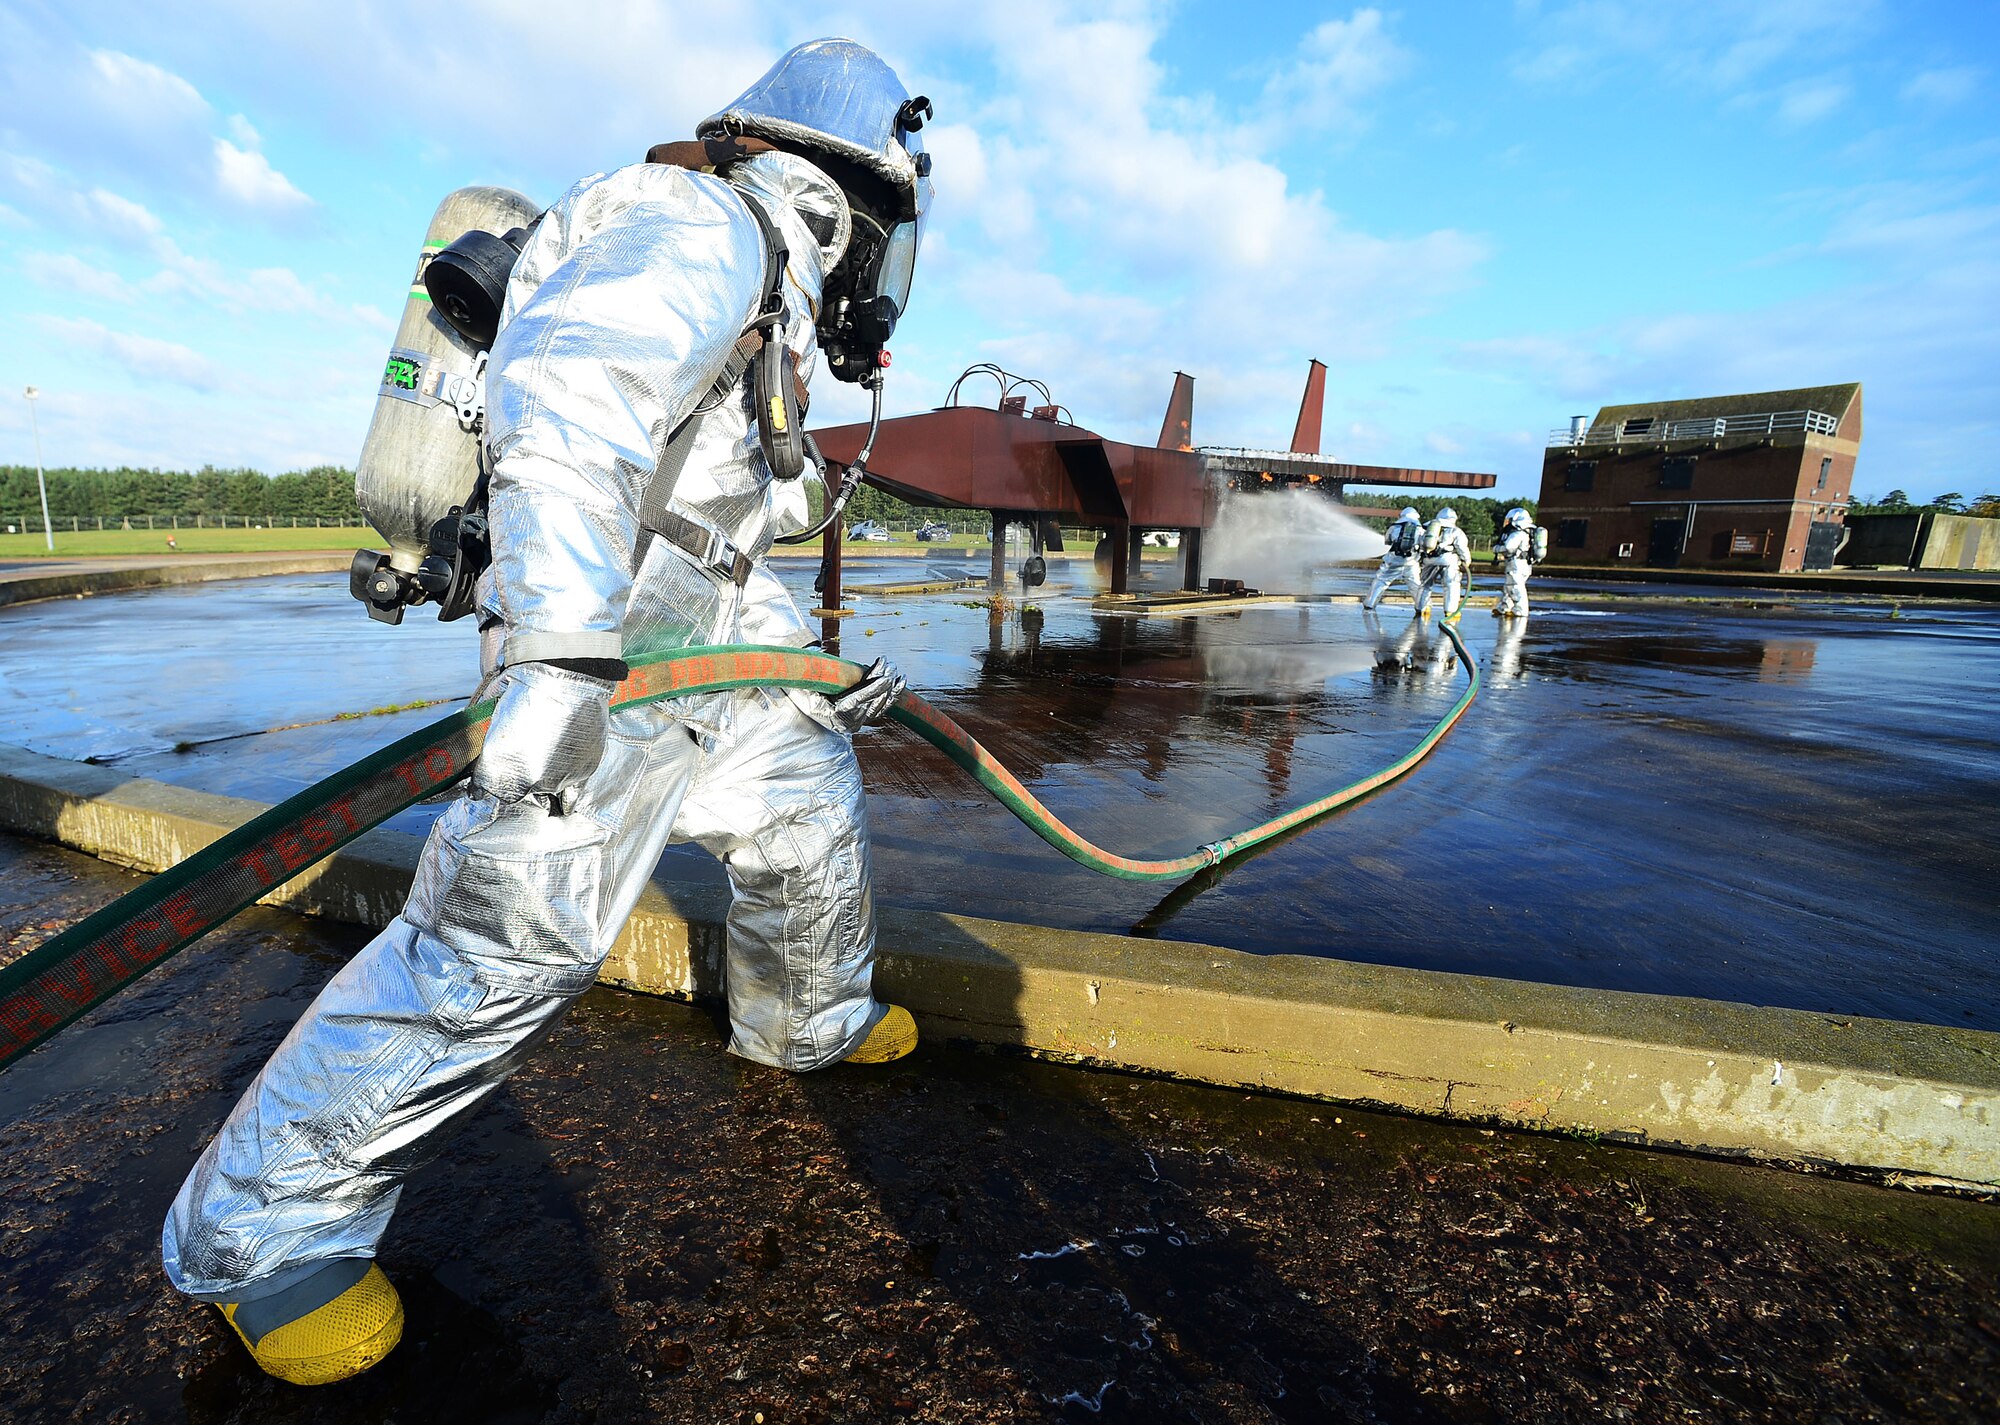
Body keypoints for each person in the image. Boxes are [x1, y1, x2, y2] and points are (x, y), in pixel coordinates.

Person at [160, 38, 934, 1386]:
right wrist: (562, 660)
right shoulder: (698, 221)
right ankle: (263, 1233)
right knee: (503, 946)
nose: (892, 280)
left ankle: (804, 1016)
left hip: (699, 653)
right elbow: (570, 410)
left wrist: (811, 673)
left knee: (807, 801)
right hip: (600, 652)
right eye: (896, 240)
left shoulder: (769, 288)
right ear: (850, 192)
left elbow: (721, 533)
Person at [1361, 506, 1424, 610]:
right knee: (1415, 585)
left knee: (1381, 581)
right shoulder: (1420, 529)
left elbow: (1387, 541)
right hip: (1411, 562)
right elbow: (1424, 545)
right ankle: (1422, 607)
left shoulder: (1394, 527)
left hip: (1393, 561)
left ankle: (1370, 604)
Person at [1415, 506, 1470, 619]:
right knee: (1451, 585)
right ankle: (1450, 611)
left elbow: (1420, 543)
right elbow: (1461, 547)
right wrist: (1466, 560)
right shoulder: (1455, 531)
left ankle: (1422, 608)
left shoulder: (1427, 528)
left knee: (1425, 585)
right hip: (1448, 561)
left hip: (1428, 560)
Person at [1492, 506, 1541, 618]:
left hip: (1516, 564)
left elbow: (1508, 547)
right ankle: (1504, 607)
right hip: (1524, 564)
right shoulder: (1528, 533)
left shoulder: (1517, 534)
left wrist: (1496, 549)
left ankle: (1520, 610)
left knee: (1515, 587)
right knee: (1509, 587)